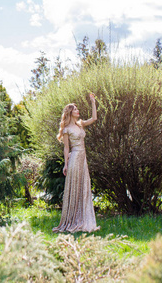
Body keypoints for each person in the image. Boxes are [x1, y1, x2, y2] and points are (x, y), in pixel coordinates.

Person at [52, 93, 100, 233]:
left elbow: (94, 118)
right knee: (74, 187)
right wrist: (66, 164)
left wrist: (93, 102)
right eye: (75, 110)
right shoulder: (66, 129)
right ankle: (72, 220)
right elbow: (67, 148)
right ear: (70, 112)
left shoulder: (80, 124)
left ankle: (83, 219)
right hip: (74, 159)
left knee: (83, 187)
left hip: (83, 159)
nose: (78, 111)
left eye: (78, 109)